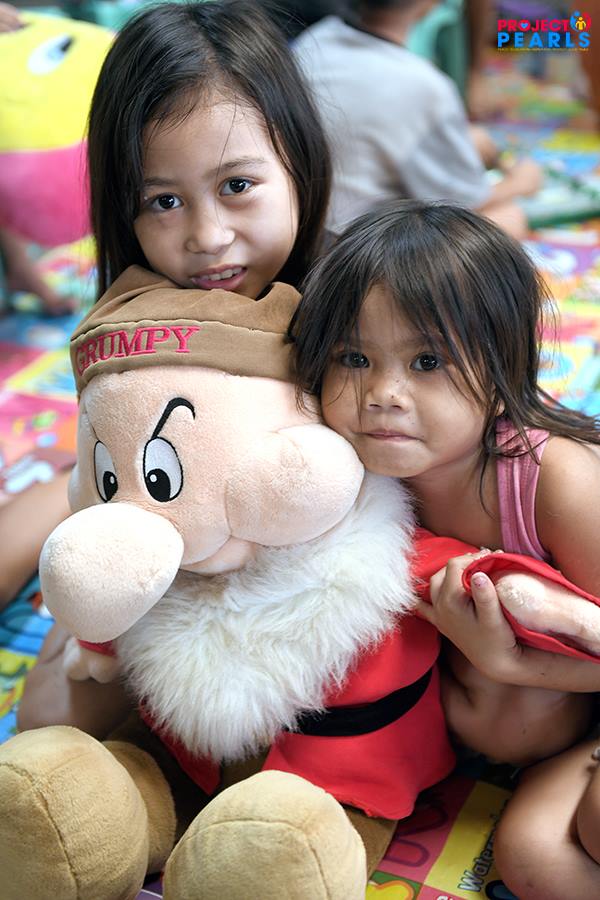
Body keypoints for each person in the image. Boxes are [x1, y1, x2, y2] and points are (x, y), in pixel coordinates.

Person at [16, 0, 332, 739]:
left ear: (300, 163)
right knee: (49, 721)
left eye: (237, 185)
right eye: (163, 201)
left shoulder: (355, 309)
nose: (208, 237)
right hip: (159, 528)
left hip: (290, 570)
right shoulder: (141, 321)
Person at [289, 198, 600, 889]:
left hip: (574, 710)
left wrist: (512, 664)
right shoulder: (333, 473)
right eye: (354, 358)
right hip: (492, 738)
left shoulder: (554, 483)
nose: (382, 393)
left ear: (502, 370)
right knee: (534, 862)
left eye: (426, 360)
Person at [293, 0, 543, 240]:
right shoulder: (421, 84)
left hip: (310, 228)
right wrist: (519, 183)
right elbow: (459, 204)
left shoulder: (314, 39)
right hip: (357, 244)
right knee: (510, 217)